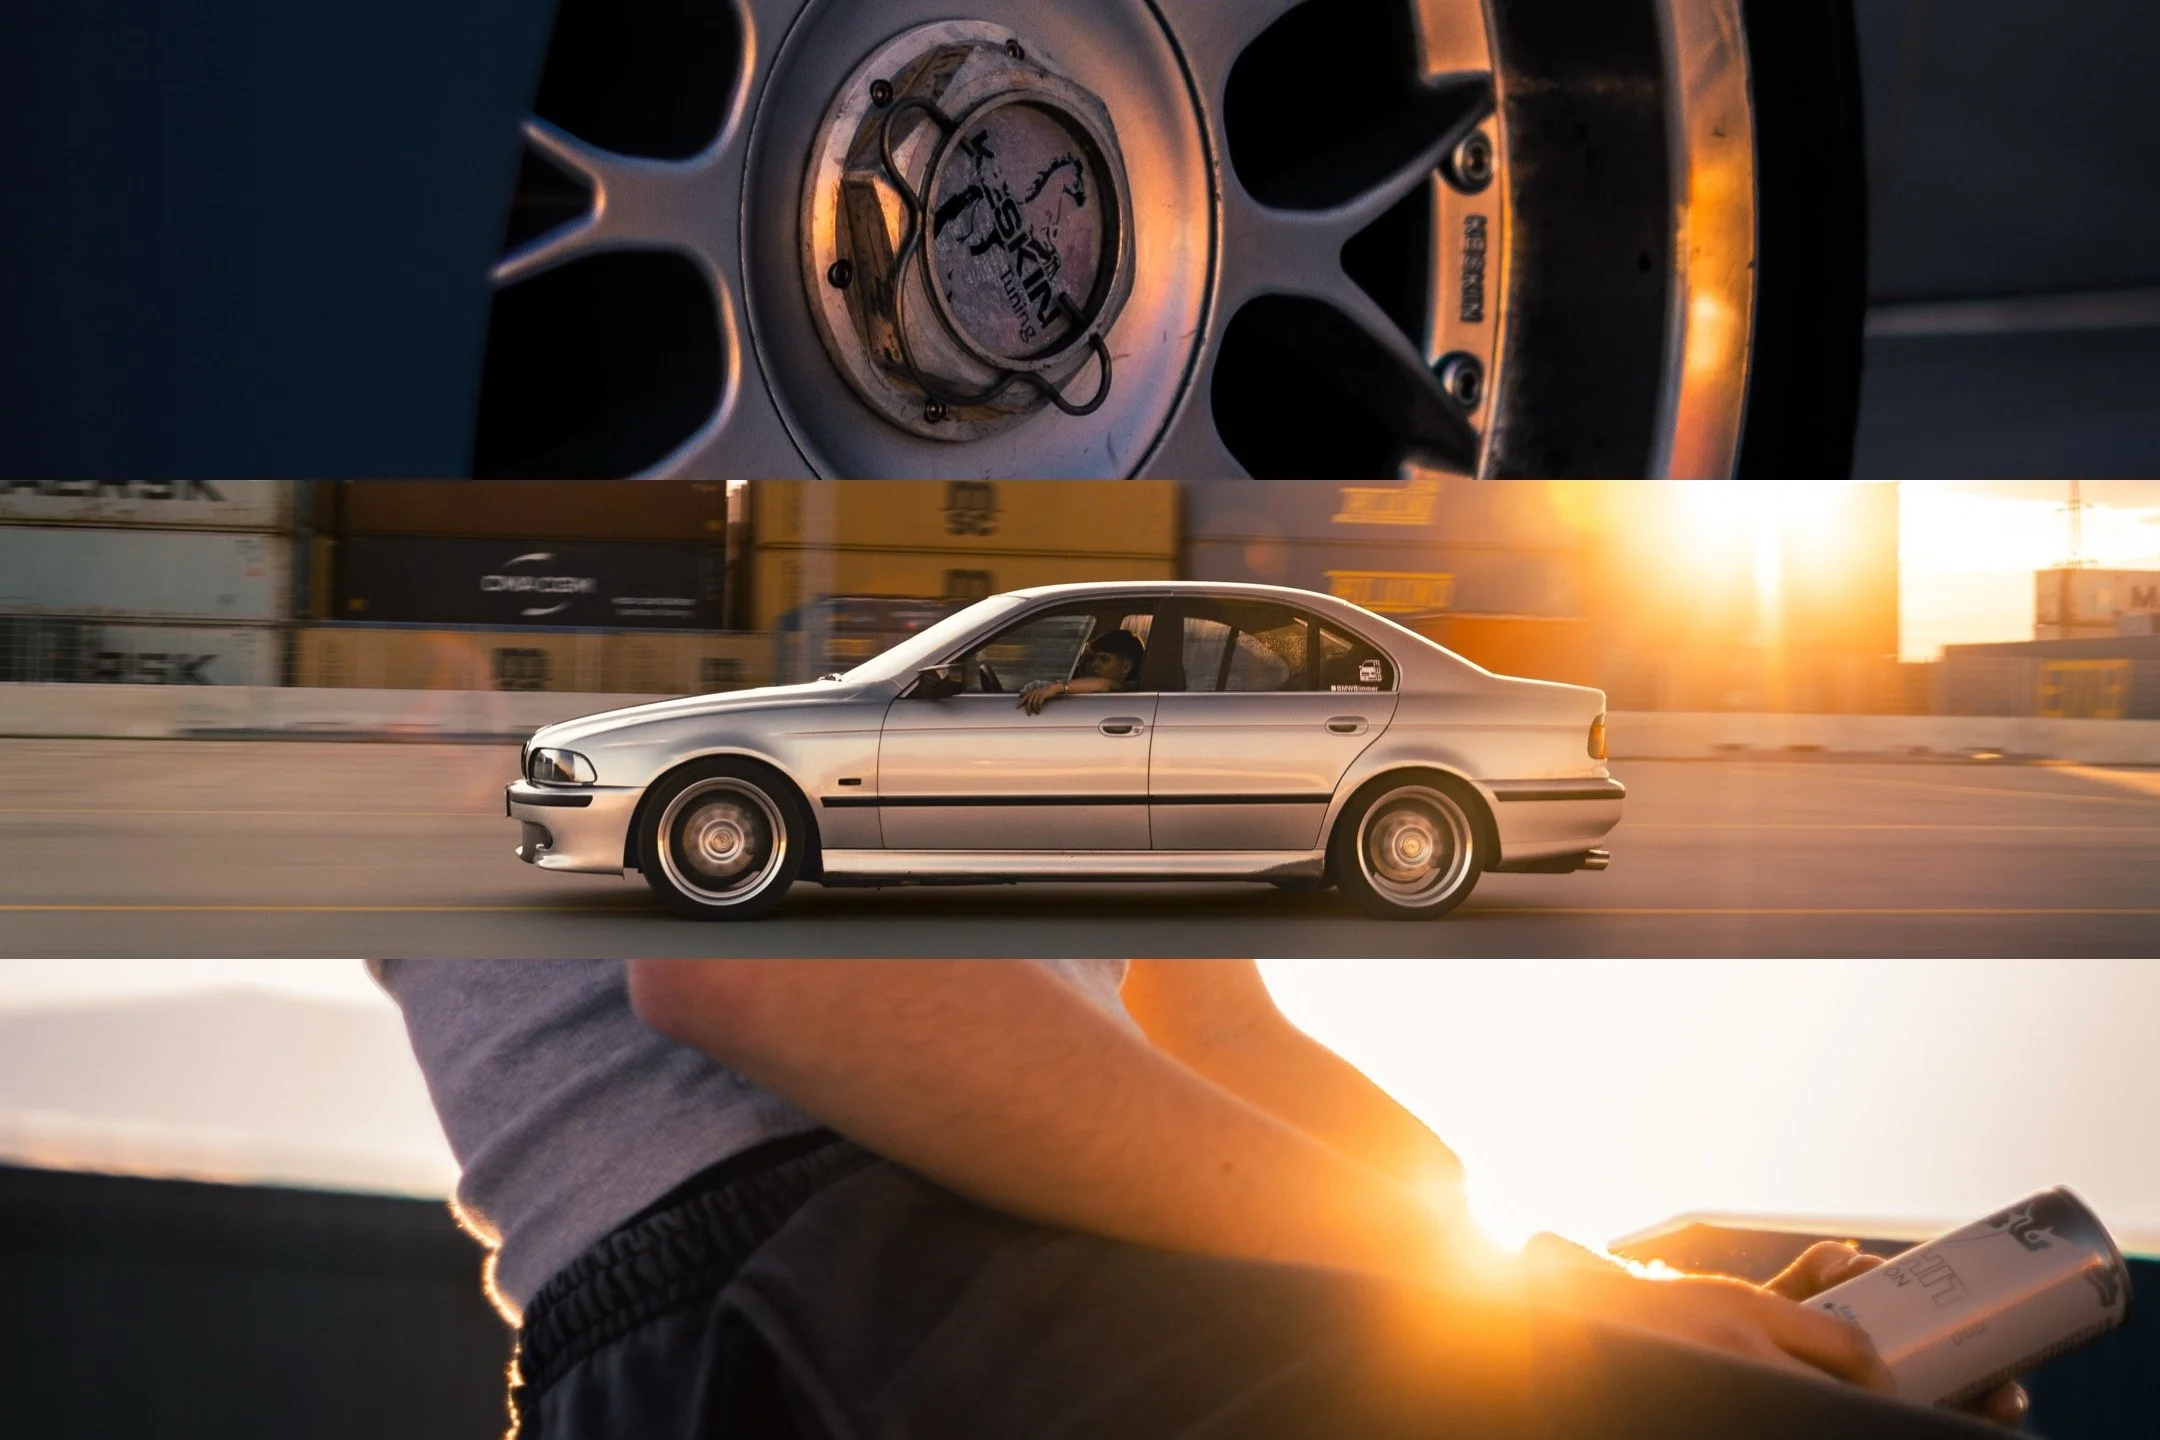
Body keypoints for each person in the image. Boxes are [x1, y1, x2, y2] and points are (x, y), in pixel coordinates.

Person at [374, 958, 2026, 1439]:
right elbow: (768, 976)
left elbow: (1212, 1024)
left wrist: (1561, 1286)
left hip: (994, 1273)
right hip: (800, 1291)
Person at [1018, 627, 1145, 713]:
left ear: (1126, 667)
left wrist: (1058, 687)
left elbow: (1105, 685)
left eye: (1104, 659)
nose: (1095, 664)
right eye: (1094, 658)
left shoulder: (1130, 689)